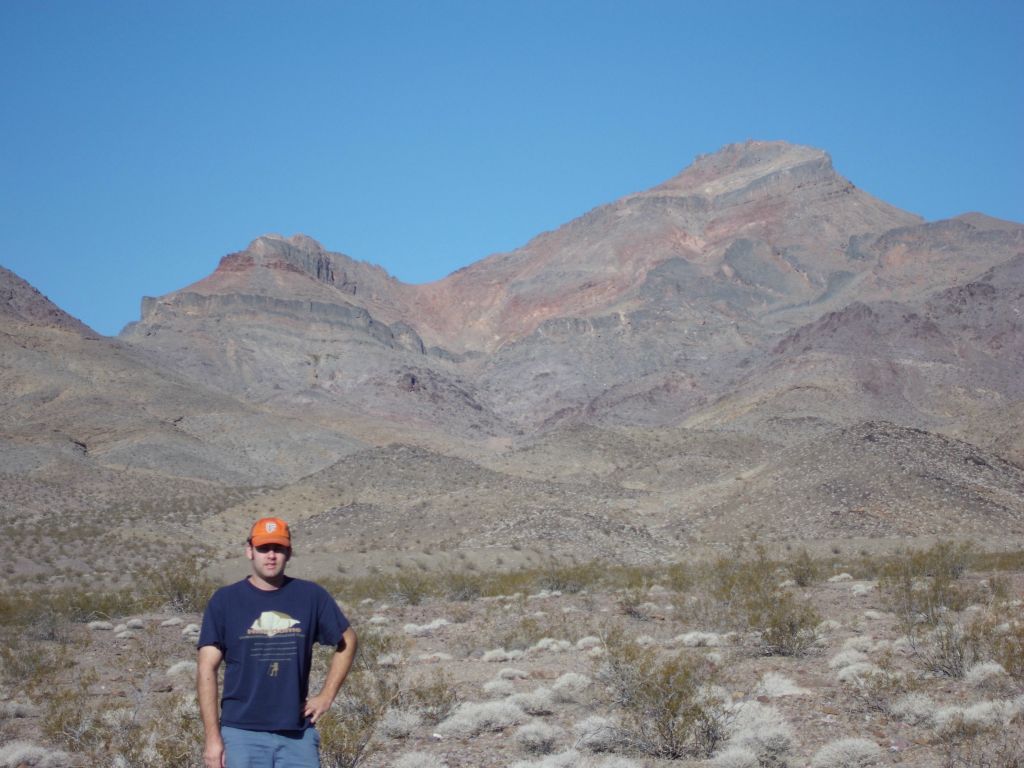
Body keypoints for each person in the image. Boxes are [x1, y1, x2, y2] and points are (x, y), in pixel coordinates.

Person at [197, 517, 357, 768]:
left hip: (297, 733)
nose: (271, 555)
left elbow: (347, 640)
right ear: (249, 551)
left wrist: (327, 695)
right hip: (241, 732)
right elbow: (207, 668)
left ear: (289, 552)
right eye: (263, 548)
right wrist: (212, 739)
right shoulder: (225, 600)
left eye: (278, 548)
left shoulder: (311, 596)